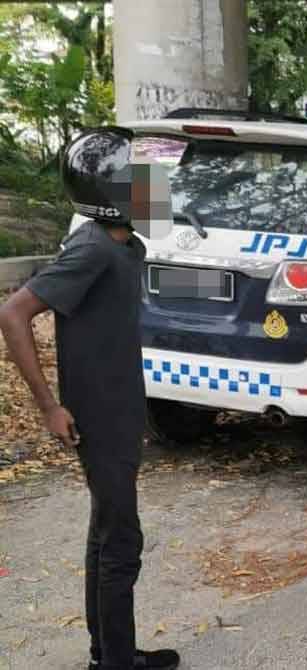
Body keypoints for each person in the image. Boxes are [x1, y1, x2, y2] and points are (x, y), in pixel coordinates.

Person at [0, 128, 180, 670]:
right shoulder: (93, 249)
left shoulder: (124, 244)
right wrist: (49, 406)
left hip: (119, 411)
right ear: (115, 193)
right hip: (98, 418)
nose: (159, 189)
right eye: (146, 181)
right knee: (122, 541)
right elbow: (12, 313)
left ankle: (111, 654)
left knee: (107, 534)